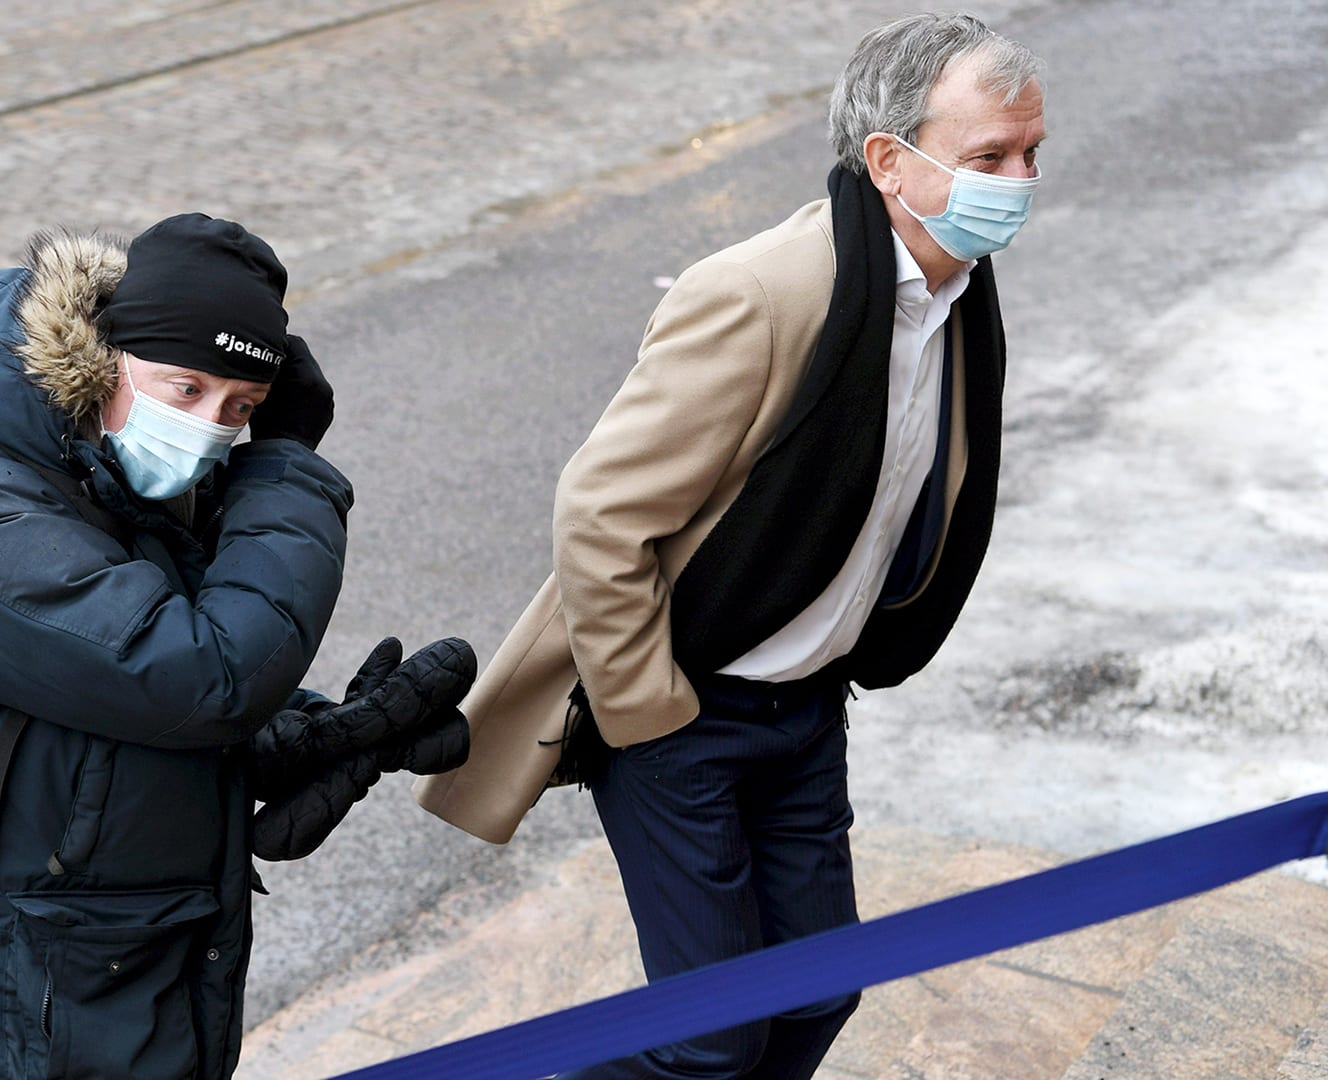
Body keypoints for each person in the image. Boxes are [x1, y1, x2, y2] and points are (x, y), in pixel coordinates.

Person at [417, 13, 1045, 1077]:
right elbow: (601, 514)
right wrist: (646, 713)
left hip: (805, 705)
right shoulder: (761, 293)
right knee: (709, 1038)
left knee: (818, 993)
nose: (1022, 182)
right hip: (684, 713)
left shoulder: (954, 297)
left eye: (1032, 153)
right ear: (889, 160)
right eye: (990, 157)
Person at [0, 213, 473, 1078]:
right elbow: (205, 680)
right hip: (7, 989)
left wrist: (320, 736)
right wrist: (286, 463)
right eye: (185, 388)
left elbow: (103, 710)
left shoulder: (117, 474)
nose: (209, 427)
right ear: (105, 357)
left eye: (242, 407)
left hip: (119, 956)